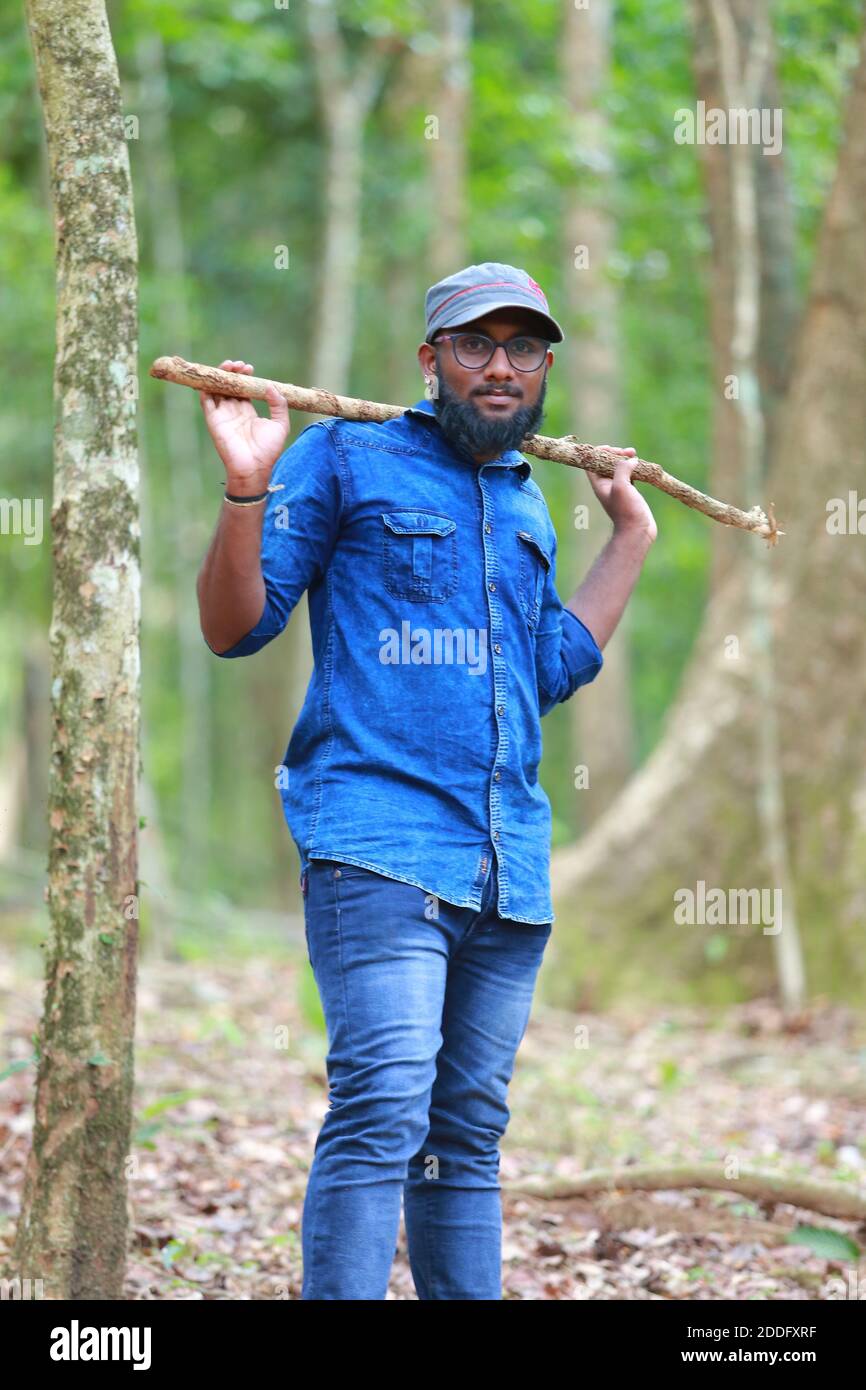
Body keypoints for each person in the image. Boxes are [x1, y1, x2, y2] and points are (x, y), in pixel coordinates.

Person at [195, 261, 656, 1299]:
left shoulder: (527, 499)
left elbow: (545, 672)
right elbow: (235, 626)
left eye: (523, 349)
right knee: (383, 1105)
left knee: (463, 1138)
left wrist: (627, 538)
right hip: (377, 846)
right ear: (428, 360)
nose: (500, 368)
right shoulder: (345, 456)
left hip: (506, 869)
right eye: (474, 345)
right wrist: (242, 486)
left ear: (543, 369)